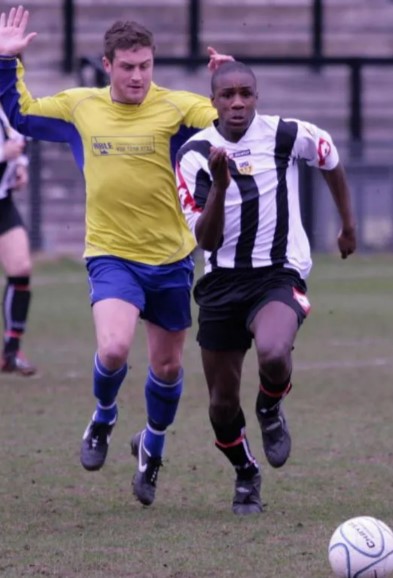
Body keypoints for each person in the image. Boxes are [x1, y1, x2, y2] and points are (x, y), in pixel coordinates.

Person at [0, 5, 232, 506]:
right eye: (127, 67)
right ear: (107, 65)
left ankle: (151, 446)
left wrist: (226, 85)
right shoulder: (81, 107)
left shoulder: (176, 108)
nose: (138, 76)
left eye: (145, 65)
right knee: (113, 349)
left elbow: (229, 123)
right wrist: (5, 61)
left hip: (171, 259)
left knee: (168, 369)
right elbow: (21, 114)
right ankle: (103, 418)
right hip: (112, 255)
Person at [176, 61, 357, 515]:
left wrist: (347, 225)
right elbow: (207, 239)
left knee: (275, 353)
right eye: (228, 96)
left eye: (246, 94)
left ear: (257, 96)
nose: (238, 103)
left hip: (278, 273)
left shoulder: (285, 134)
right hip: (220, 284)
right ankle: (245, 472)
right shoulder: (195, 154)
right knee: (220, 405)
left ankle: (270, 408)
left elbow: (329, 156)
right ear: (212, 102)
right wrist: (219, 186)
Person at [0, 104, 36, 375]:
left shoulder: (5, 103)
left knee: (21, 267)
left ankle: (11, 350)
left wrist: (20, 165)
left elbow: (16, 137)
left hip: (3, 202)